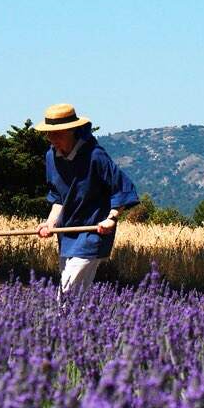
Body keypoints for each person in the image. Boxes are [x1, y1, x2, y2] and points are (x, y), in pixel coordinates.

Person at [34, 103, 139, 295]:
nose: (51, 138)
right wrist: (49, 223)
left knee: (67, 292)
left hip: (93, 231)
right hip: (67, 232)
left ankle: (60, 323)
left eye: (57, 133)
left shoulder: (95, 156)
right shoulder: (51, 156)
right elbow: (58, 197)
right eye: (49, 134)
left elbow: (122, 188)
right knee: (76, 295)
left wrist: (111, 219)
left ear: (72, 131)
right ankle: (82, 324)